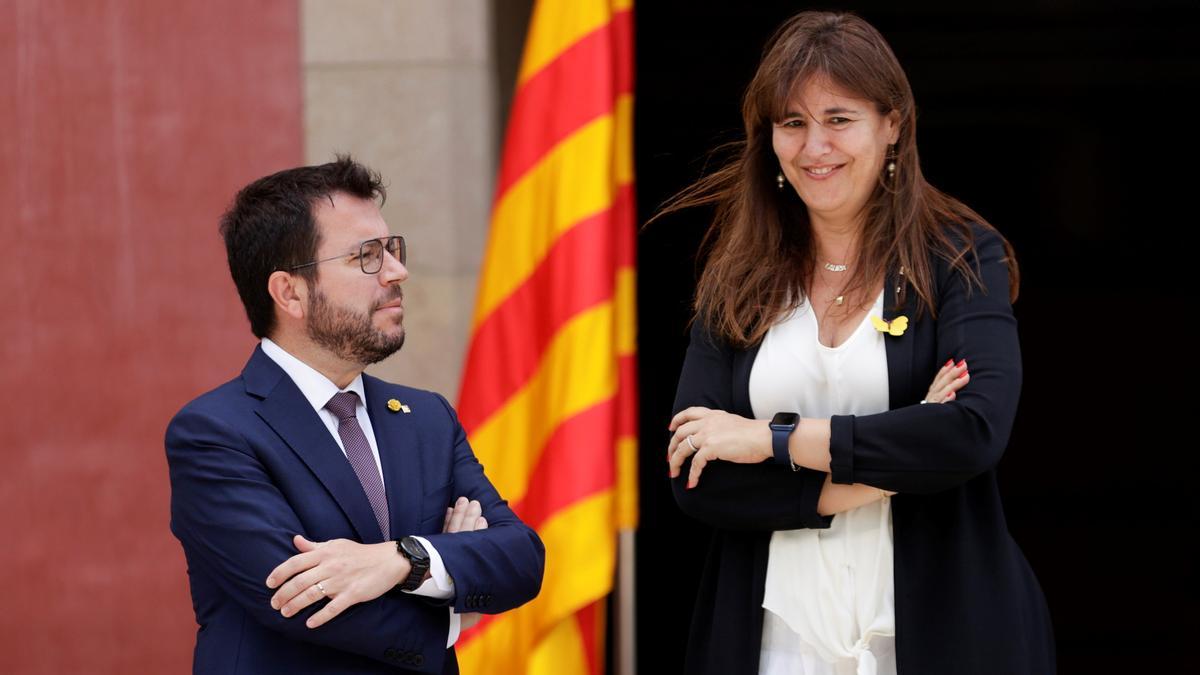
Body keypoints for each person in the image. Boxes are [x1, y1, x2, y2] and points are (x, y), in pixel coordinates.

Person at [661, 11, 1054, 675]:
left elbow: (972, 431)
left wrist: (770, 441)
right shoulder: (738, 276)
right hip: (773, 642)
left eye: (839, 118)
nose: (815, 146)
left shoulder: (960, 257)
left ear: (892, 123)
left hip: (939, 634)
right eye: (792, 122)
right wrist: (889, 466)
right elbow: (697, 478)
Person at [165, 156, 545, 674]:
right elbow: (302, 602)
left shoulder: (425, 417)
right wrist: (453, 603)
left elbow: (521, 557)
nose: (397, 271)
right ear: (290, 293)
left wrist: (402, 560)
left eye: (392, 249)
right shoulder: (215, 433)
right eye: (366, 256)